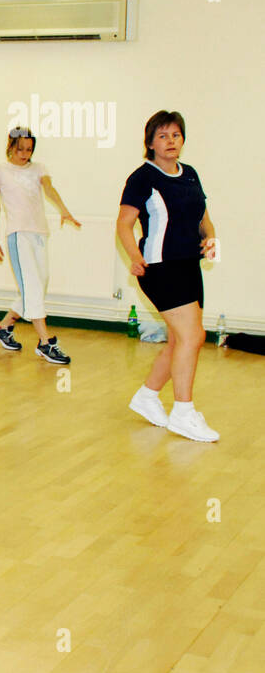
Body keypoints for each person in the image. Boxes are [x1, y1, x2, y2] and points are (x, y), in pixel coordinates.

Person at [117, 110, 218, 442]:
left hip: (189, 264)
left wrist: (211, 239)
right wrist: (134, 257)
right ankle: (183, 412)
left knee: (179, 339)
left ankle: (146, 396)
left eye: (175, 135)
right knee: (193, 337)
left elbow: (203, 217)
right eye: (163, 136)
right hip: (159, 267)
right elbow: (124, 224)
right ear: (150, 142)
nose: (170, 141)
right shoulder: (142, 177)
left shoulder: (189, 174)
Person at [0, 126, 80, 364]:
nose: (25, 154)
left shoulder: (39, 169)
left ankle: (3, 327)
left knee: (38, 286)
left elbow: (49, 188)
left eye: (29, 149)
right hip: (18, 235)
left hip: (39, 234)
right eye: (20, 149)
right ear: (10, 147)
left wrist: (64, 210)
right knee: (33, 288)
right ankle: (45, 343)